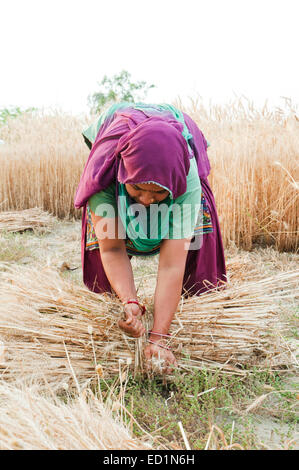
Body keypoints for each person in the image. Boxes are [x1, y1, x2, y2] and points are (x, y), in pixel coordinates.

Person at [74, 102, 226, 371]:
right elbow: (112, 250)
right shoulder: (105, 172)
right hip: (115, 167)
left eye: (157, 194)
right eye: (138, 190)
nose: (146, 201)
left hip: (177, 169)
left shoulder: (186, 180)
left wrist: (159, 338)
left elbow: (172, 264)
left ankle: (195, 305)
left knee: (199, 236)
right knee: (102, 236)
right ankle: (115, 307)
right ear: (123, 176)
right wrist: (129, 300)